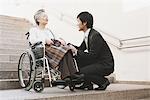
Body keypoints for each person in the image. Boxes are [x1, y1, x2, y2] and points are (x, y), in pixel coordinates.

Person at [69, 11, 114, 90]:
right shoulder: (88, 35)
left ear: (84, 23)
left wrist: (76, 51)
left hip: (105, 64)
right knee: (78, 58)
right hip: (98, 62)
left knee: (82, 71)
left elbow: (92, 56)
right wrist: (69, 45)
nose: (77, 24)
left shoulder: (95, 36)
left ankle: (103, 81)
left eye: (78, 21)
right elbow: (80, 49)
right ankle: (87, 84)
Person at [29, 9, 78, 80]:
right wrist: (44, 40)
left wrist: (60, 40)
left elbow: (55, 39)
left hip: (54, 48)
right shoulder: (34, 30)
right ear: (38, 19)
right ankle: (66, 75)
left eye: (47, 16)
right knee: (63, 50)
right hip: (44, 50)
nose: (46, 18)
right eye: (44, 16)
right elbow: (32, 40)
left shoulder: (48, 31)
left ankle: (73, 74)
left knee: (67, 49)